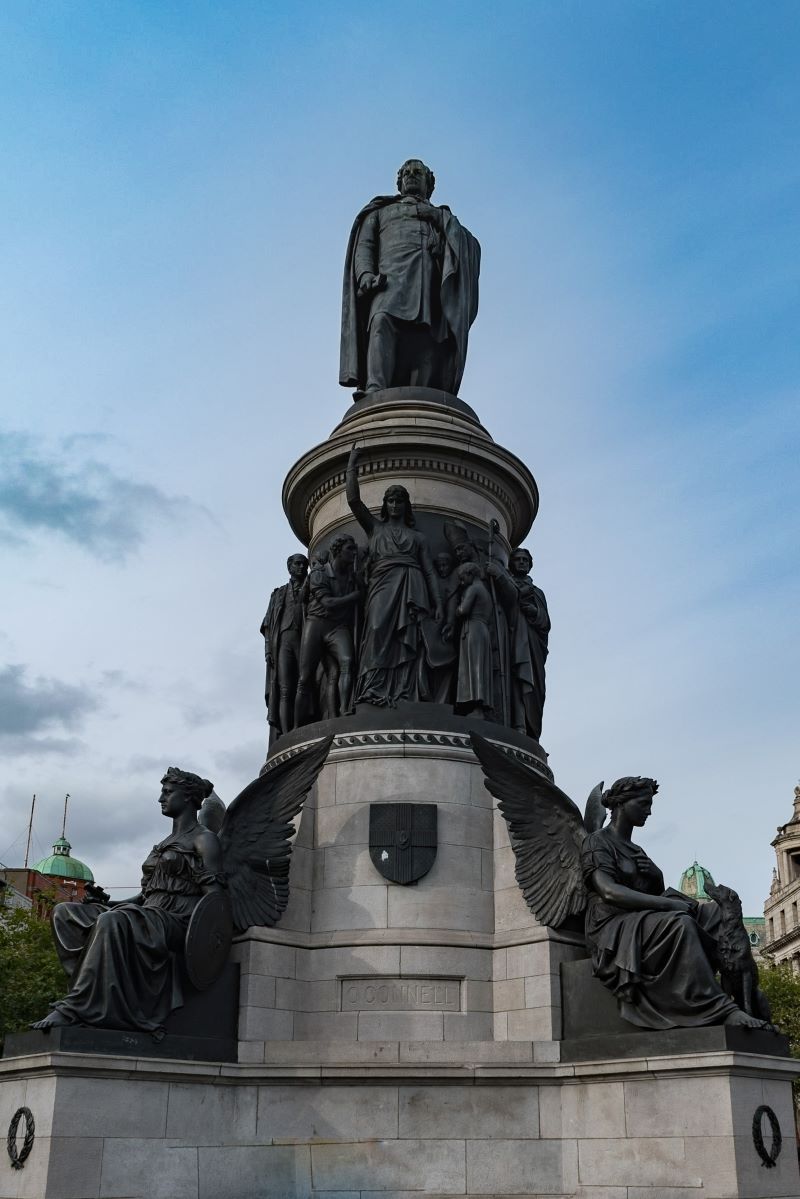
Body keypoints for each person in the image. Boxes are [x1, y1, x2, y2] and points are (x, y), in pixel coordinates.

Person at [32, 768, 225, 1039]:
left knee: (114, 920)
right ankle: (92, 994)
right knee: (65, 913)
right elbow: (146, 896)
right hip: (147, 914)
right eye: (162, 792)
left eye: (168, 792)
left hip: (178, 921)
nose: (161, 798)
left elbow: (214, 900)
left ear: (189, 797)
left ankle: (77, 1007)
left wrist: (205, 943)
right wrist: (109, 902)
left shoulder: (204, 839)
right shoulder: (163, 844)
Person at [581, 776, 765, 1030]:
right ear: (622, 804)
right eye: (643, 803)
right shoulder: (596, 841)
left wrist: (656, 876)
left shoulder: (636, 849)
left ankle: (746, 999)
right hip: (610, 924)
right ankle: (716, 1007)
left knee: (716, 913)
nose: (649, 810)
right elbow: (609, 892)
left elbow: (651, 891)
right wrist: (668, 905)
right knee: (680, 923)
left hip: (638, 918)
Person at [340, 159, 480, 396]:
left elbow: (470, 247)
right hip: (389, 283)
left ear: (429, 183)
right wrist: (365, 274)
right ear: (399, 181)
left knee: (428, 342)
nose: (411, 176)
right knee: (381, 322)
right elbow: (365, 245)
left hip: (428, 288)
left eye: (418, 172)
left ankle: (424, 393)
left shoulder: (441, 217)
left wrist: (438, 218)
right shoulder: (381, 212)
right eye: (406, 172)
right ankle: (375, 388)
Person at [346, 443, 442, 705]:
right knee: (376, 629)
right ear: (385, 505)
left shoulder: (417, 538)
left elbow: (430, 572)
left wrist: (438, 603)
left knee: (408, 638)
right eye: (391, 500)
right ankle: (373, 689)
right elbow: (354, 501)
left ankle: (403, 690)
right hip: (382, 585)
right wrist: (352, 464)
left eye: (400, 500)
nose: (395, 505)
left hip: (412, 585)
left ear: (405, 505)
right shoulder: (375, 529)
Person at [294, 534, 361, 725]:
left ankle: (344, 709)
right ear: (337, 550)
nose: (354, 553)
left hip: (337, 627)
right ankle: (298, 726)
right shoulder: (318, 573)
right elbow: (327, 602)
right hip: (316, 624)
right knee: (305, 678)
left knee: (347, 661)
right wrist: (354, 596)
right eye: (350, 549)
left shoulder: (352, 576)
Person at [486, 547, 550, 739]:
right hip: (511, 638)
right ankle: (518, 724)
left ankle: (528, 728)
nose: (522, 562)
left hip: (530, 642)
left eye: (525, 560)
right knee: (514, 679)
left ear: (530, 565)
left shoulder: (537, 593)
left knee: (530, 685)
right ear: (510, 563)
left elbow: (545, 622)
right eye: (518, 559)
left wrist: (533, 611)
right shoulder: (507, 585)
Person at [260, 554, 309, 742]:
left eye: (304, 564)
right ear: (289, 567)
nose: (301, 567)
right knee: (285, 688)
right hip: (284, 641)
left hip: (305, 639)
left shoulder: (311, 586)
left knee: (304, 684)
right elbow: (267, 625)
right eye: (297, 564)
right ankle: (286, 732)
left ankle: (301, 724)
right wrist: (268, 650)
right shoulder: (279, 594)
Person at [454, 562, 494, 719]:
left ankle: (477, 707)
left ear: (470, 574)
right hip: (482, 629)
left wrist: (456, 609)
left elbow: (463, 610)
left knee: (474, 667)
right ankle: (477, 707)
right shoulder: (485, 591)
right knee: (480, 666)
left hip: (473, 629)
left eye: (462, 578)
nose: (461, 582)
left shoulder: (474, 589)